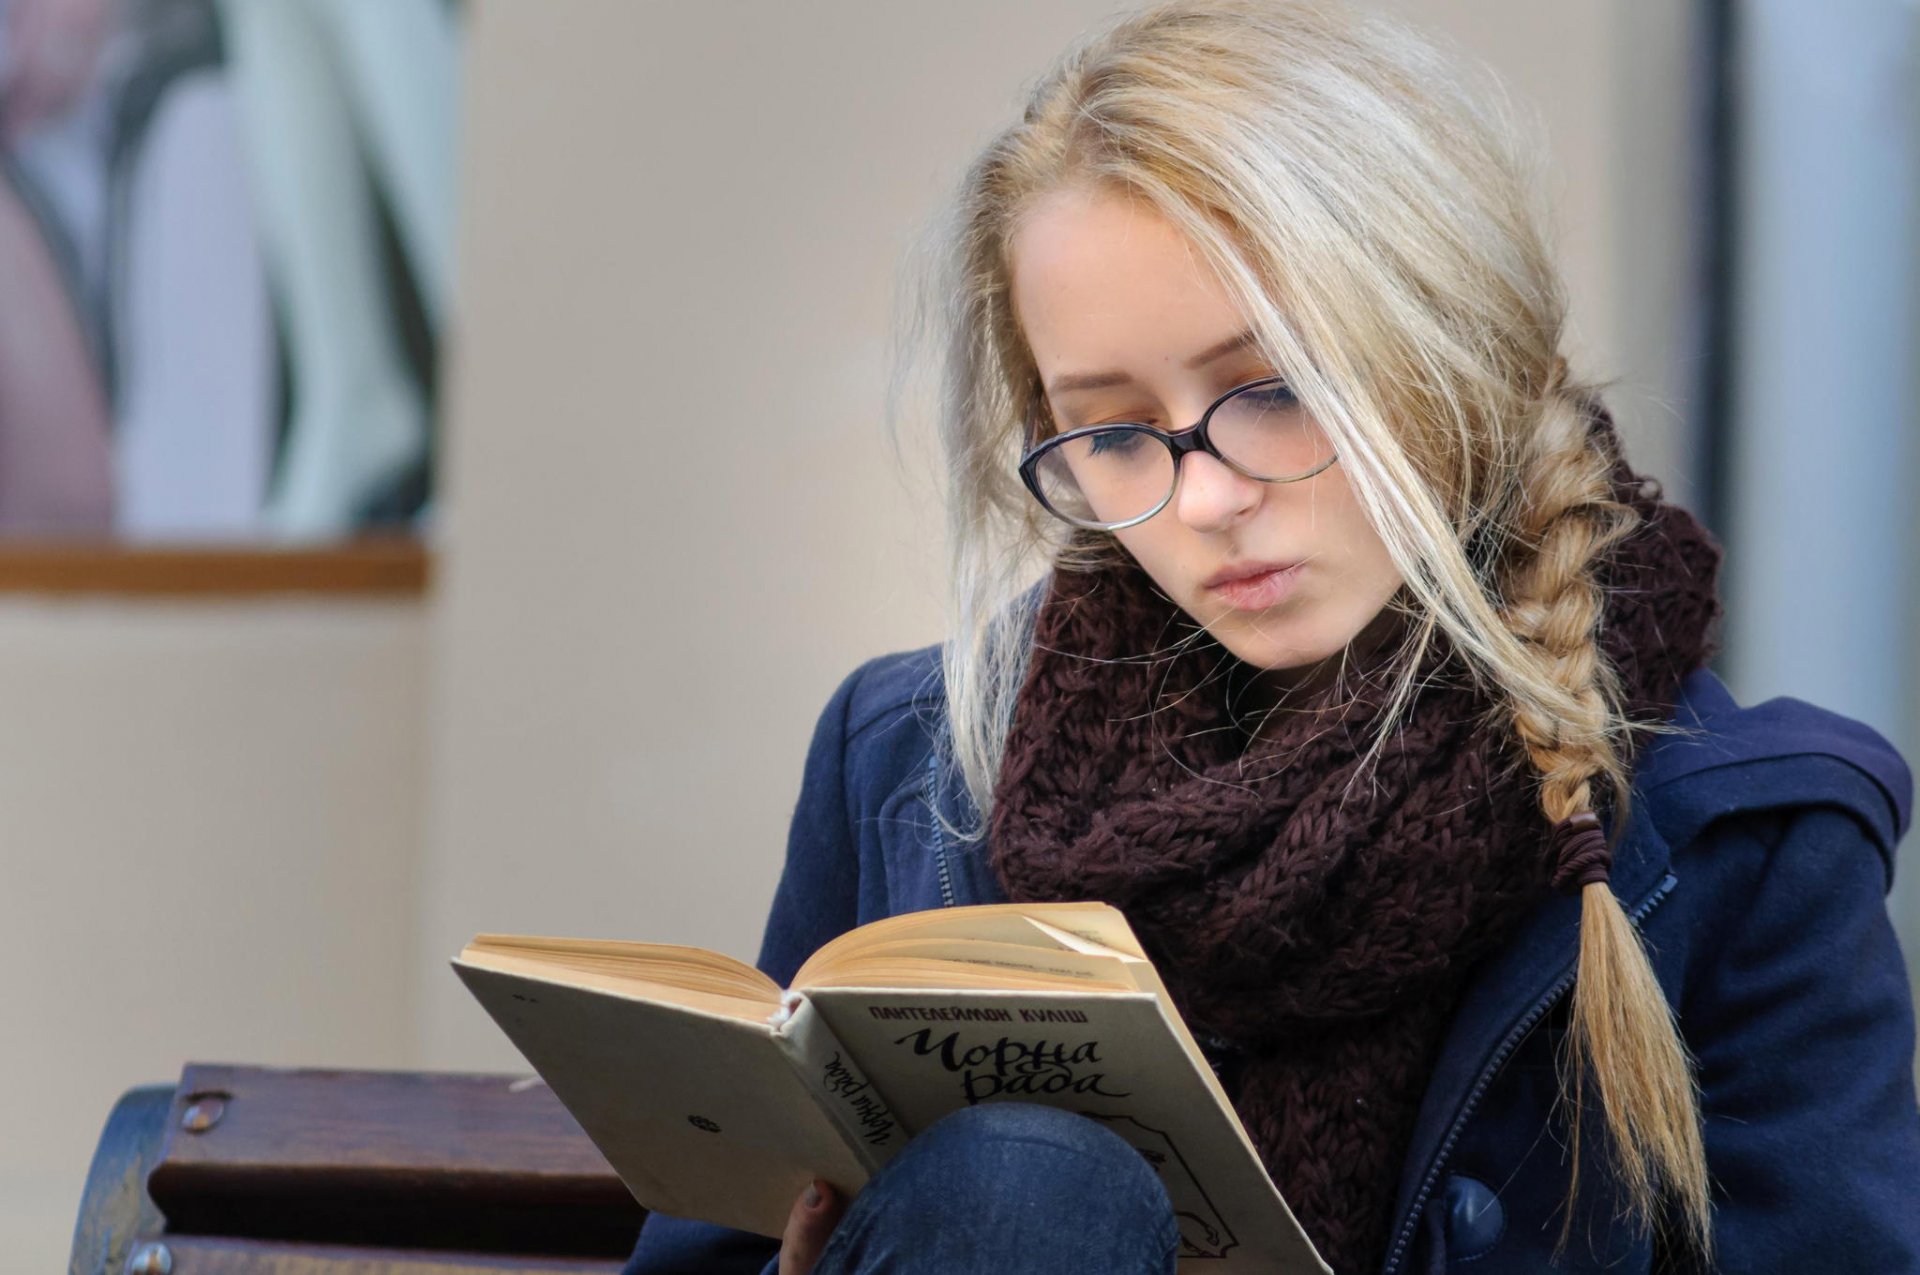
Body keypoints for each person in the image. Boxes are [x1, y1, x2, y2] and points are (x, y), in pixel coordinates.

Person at [623, 1, 1920, 1272]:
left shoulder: (1748, 841)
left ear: (1448, 346)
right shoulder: (908, 765)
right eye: (1117, 430)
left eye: (1278, 391)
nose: (1206, 498)